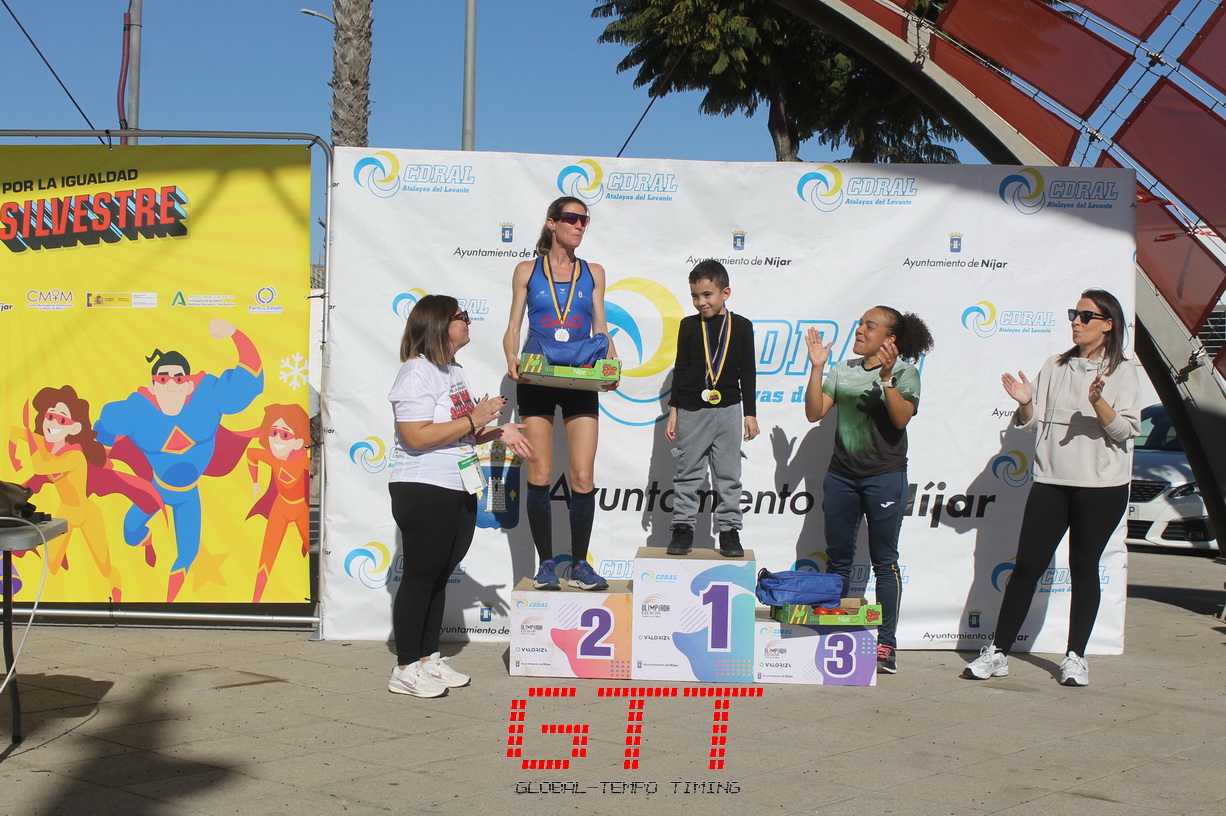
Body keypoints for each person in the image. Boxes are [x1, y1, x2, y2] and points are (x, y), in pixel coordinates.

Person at [963, 288, 1140, 687]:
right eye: (1074, 313)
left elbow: (1125, 430)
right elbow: (1031, 423)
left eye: (1086, 316)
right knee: (1027, 566)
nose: (1076, 321)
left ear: (1108, 325)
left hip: (1102, 487)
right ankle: (998, 652)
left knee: (1084, 567)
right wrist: (1025, 401)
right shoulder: (1055, 365)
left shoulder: (1124, 371)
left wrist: (1098, 402)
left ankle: (1075, 657)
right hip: (1051, 482)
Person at [389, 294, 533, 698]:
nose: (468, 322)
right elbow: (415, 436)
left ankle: (427, 658)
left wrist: (496, 430)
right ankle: (405, 667)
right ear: (439, 325)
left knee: (440, 574)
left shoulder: (454, 371)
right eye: (460, 316)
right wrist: (473, 418)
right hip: (423, 486)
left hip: (459, 484)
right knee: (421, 576)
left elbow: (461, 431)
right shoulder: (416, 372)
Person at [805, 306, 934, 675]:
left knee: (884, 562)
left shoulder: (905, 372)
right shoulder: (842, 370)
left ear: (890, 339)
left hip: (884, 478)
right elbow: (814, 413)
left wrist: (888, 378)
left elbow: (900, 418)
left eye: (870, 326)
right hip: (841, 477)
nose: (860, 330)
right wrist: (817, 368)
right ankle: (831, 635)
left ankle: (886, 644)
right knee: (838, 560)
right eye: (860, 323)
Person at [94, 319, 262, 602]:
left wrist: (235, 334)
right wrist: (103, 457)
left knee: (187, 554)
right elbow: (104, 430)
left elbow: (249, 380)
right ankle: (147, 540)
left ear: (188, 385)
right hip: (154, 490)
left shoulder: (206, 400)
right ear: (153, 385)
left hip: (188, 496)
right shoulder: (137, 410)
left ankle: (168, 605)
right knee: (130, 533)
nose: (171, 384)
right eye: (163, 379)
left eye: (178, 379)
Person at [502, 196, 616, 591]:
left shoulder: (594, 272)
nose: (580, 225)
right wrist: (511, 355)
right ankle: (547, 565)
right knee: (541, 471)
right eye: (571, 218)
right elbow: (513, 326)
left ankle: (580, 565)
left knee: (583, 475)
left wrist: (611, 366)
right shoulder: (527, 270)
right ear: (552, 223)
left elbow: (601, 328)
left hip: (580, 377)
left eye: (585, 220)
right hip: (537, 375)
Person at [665, 260, 759, 557]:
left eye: (707, 294)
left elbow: (748, 371)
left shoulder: (741, 326)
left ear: (725, 293)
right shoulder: (688, 326)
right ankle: (682, 528)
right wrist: (674, 409)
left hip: (729, 409)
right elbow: (681, 369)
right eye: (695, 296)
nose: (701, 302)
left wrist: (750, 413)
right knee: (688, 472)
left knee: (729, 474)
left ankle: (730, 531)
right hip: (692, 409)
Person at [246, 403, 311, 603]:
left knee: (308, 546)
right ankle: (256, 600)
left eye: (284, 435)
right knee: (267, 555)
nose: (276, 439)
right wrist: (255, 482)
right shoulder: (272, 457)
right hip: (280, 507)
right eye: (273, 432)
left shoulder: (302, 461)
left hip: (300, 508)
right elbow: (251, 454)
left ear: (298, 442)